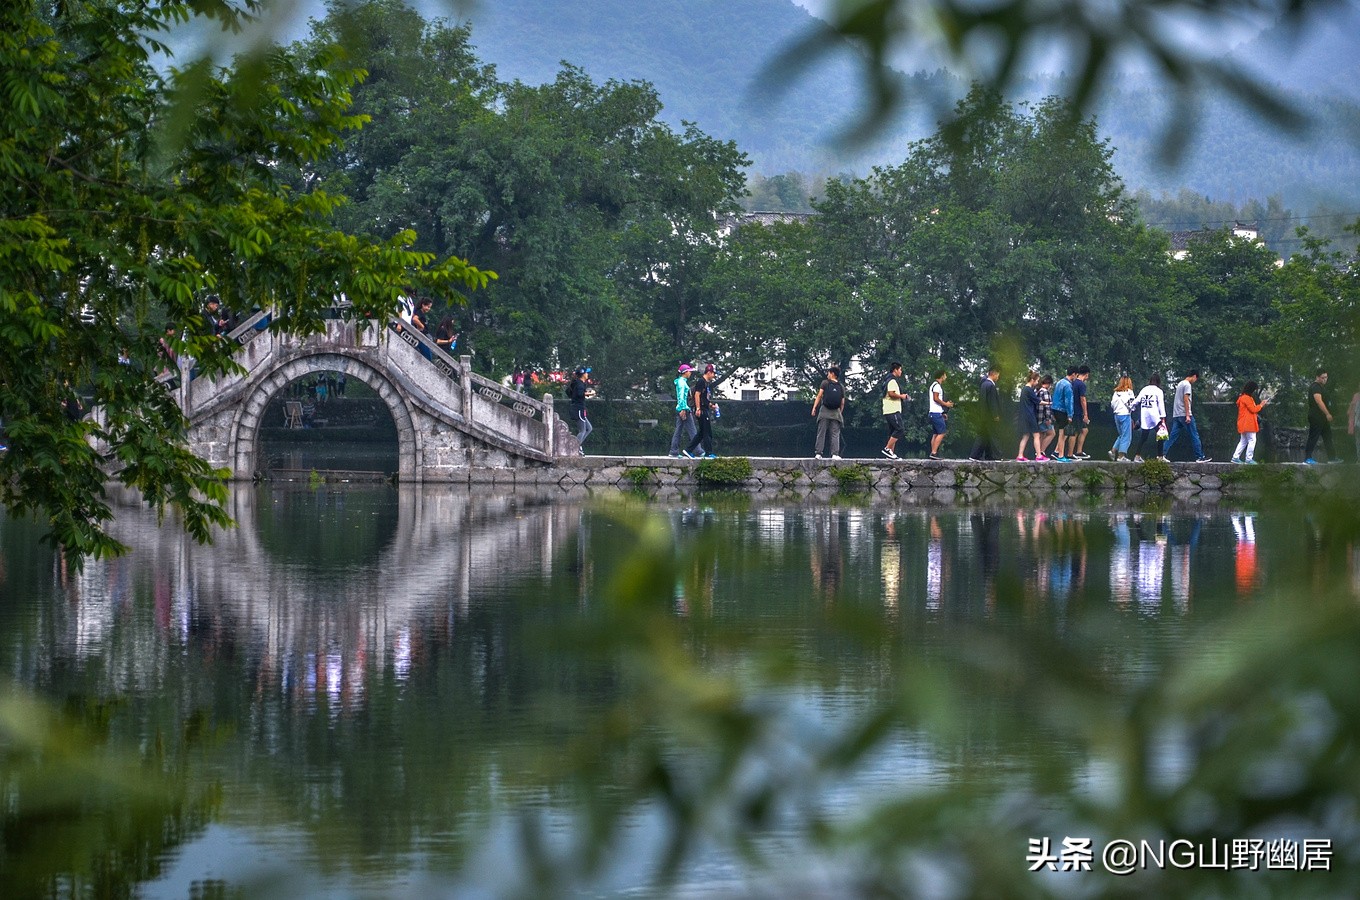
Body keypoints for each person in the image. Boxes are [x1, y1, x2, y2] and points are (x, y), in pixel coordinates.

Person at [1163, 370, 1211, 462]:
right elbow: (1186, 399)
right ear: (1194, 376)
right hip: (1184, 414)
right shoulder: (1187, 385)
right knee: (1194, 435)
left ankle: (1162, 454)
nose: (1195, 381)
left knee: (1172, 436)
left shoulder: (1180, 383)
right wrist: (1188, 415)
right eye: (1195, 379)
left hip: (1177, 414)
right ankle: (1199, 456)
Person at [1129, 374, 1167, 462]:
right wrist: (1163, 417)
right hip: (1155, 415)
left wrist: (1131, 407)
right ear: (1158, 382)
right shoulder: (1159, 391)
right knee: (1161, 435)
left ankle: (1137, 456)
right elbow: (1161, 405)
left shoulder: (1144, 389)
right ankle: (1160, 456)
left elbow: (1137, 400)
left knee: (1144, 436)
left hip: (1145, 416)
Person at [683, 364, 719, 458]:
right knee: (707, 432)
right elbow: (697, 395)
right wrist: (698, 408)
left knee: (701, 433)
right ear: (709, 372)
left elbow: (705, 398)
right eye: (713, 373)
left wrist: (711, 406)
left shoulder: (706, 384)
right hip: (702, 410)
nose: (714, 376)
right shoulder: (701, 381)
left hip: (705, 408)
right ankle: (708, 452)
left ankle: (688, 450)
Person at [811, 365, 846, 459]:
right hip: (836, 413)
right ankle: (835, 454)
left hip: (824, 411)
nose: (827, 375)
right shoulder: (841, 386)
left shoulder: (825, 383)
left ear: (832, 374)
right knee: (835, 434)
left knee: (821, 432)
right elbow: (842, 402)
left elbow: (819, 396)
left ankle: (818, 453)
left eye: (828, 373)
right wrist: (840, 412)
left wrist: (814, 407)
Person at [969, 366, 1002, 460]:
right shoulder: (991, 386)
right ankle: (997, 456)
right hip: (990, 416)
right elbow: (992, 402)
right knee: (994, 435)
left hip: (983, 415)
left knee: (983, 435)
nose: (998, 377)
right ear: (994, 374)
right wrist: (995, 414)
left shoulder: (983, 384)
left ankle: (975, 455)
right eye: (998, 375)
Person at [1232, 381, 1268, 464]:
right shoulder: (1247, 398)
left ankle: (1235, 457)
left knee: (1243, 441)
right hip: (1248, 423)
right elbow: (1253, 410)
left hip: (1243, 422)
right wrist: (1261, 405)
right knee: (1252, 440)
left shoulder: (1242, 397)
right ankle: (1248, 459)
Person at [1305, 369, 1336, 464]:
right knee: (1313, 436)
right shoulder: (1315, 387)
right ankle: (1308, 458)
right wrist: (1327, 413)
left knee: (1328, 436)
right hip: (1316, 416)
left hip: (1322, 417)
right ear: (1317, 377)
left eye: (1326, 377)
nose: (1325, 379)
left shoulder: (1321, 387)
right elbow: (1319, 401)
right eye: (1323, 378)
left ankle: (1332, 458)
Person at [669, 364, 698, 457]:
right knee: (692, 430)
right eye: (689, 371)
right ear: (685, 372)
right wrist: (683, 409)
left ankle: (673, 451)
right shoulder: (682, 383)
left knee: (679, 430)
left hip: (682, 408)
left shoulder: (681, 382)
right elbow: (681, 397)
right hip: (684, 408)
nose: (690, 373)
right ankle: (699, 450)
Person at [880, 362, 908, 459]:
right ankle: (887, 449)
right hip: (892, 410)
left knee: (893, 432)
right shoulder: (892, 381)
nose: (901, 372)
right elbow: (891, 393)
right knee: (900, 429)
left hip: (889, 410)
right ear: (895, 370)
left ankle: (890, 454)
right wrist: (902, 396)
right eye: (900, 369)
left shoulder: (888, 380)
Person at [1016, 371, 1042, 461]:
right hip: (1030, 415)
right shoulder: (1029, 390)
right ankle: (1039, 455)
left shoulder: (1024, 389)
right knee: (1036, 435)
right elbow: (1038, 401)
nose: (1037, 382)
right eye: (1037, 380)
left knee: (1026, 435)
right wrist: (1050, 403)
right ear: (1032, 380)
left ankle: (1020, 455)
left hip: (1024, 415)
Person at [1108, 375, 1136, 461]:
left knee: (1121, 435)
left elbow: (1112, 404)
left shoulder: (1116, 392)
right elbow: (1132, 405)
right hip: (1125, 414)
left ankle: (1113, 451)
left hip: (1117, 415)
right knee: (1126, 436)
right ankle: (1121, 456)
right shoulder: (1129, 392)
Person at [1050, 368, 1075, 461]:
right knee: (1062, 433)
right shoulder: (1068, 385)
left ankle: (1057, 452)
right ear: (1073, 374)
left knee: (1062, 433)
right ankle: (1061, 455)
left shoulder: (1059, 382)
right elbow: (1068, 401)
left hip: (1055, 408)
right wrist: (1070, 415)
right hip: (1062, 410)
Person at [567, 367, 592, 454]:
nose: (587, 374)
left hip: (579, 408)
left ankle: (578, 445)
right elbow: (580, 394)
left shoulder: (578, 383)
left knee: (589, 428)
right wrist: (589, 393)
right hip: (578, 409)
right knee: (582, 430)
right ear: (583, 374)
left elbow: (570, 393)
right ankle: (573, 448)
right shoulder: (579, 384)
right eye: (586, 373)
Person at [927, 370, 952, 460]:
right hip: (935, 413)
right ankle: (934, 453)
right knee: (942, 432)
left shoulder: (933, 385)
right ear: (942, 376)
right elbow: (936, 398)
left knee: (935, 433)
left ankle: (933, 452)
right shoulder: (937, 386)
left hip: (934, 413)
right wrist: (946, 404)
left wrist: (943, 412)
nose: (946, 377)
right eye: (945, 375)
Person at [1069, 365, 1092, 458]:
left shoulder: (1073, 383)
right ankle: (1070, 454)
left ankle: (1079, 451)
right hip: (1077, 411)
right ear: (1086, 374)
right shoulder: (1081, 384)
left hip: (1074, 409)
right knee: (1074, 432)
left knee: (1084, 430)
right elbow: (1083, 399)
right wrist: (1085, 414)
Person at [1036, 374, 1055, 458]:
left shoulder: (1038, 391)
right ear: (1048, 383)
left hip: (1038, 417)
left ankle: (1038, 453)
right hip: (1044, 417)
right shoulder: (1045, 391)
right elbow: (1047, 406)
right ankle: (1041, 451)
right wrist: (1048, 418)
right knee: (1052, 433)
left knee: (1041, 435)